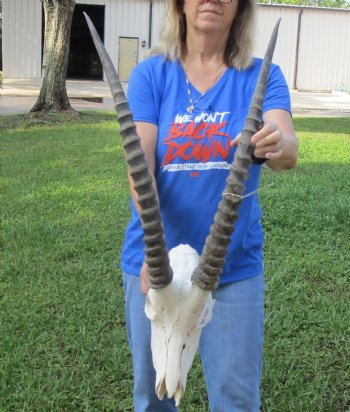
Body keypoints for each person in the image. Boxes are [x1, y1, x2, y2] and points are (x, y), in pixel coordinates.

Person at [121, 0, 298, 410]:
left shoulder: (262, 76)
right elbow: (139, 166)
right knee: (155, 395)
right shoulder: (151, 74)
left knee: (236, 399)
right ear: (180, 5)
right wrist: (156, 251)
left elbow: (288, 150)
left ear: (241, 7)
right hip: (155, 267)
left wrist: (276, 140)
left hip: (231, 269)